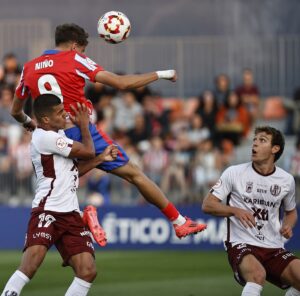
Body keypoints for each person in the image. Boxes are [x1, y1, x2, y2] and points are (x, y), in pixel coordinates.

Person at [10, 23, 207, 238]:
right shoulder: (74, 58)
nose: (83, 54)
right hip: (79, 130)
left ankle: (83, 219)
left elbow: (15, 110)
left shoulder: (28, 67)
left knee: (61, 183)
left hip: (49, 137)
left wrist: (28, 121)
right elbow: (121, 83)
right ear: (75, 46)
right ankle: (178, 221)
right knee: (134, 174)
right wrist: (162, 74)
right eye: (84, 50)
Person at [1, 94, 118, 296]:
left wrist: (101, 158)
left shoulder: (59, 137)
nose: (64, 114)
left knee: (87, 270)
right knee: (31, 265)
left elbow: (74, 172)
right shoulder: (45, 137)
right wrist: (84, 125)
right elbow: (87, 151)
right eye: (59, 112)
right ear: (46, 119)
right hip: (48, 210)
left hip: (71, 214)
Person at [202, 126, 300, 296]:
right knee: (257, 275)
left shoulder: (286, 180)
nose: (254, 144)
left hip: (273, 245)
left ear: (275, 149)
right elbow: (208, 205)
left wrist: (288, 225)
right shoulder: (234, 173)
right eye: (254, 140)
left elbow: (291, 212)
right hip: (241, 242)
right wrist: (235, 210)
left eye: (262, 140)